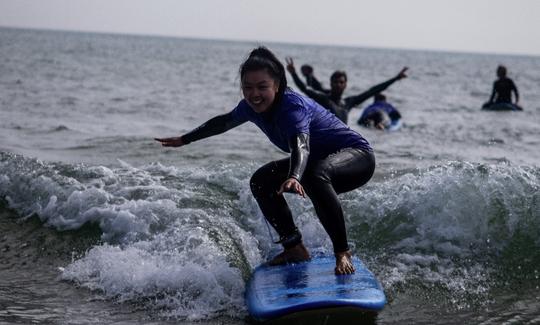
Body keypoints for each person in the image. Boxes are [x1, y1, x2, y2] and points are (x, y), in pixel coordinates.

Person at [155, 47, 376, 275]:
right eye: (247, 88)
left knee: (313, 174)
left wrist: (294, 176)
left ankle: (342, 252)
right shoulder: (249, 108)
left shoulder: (292, 107)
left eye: (262, 87)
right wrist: (184, 139)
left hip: (357, 158)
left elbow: (301, 144)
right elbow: (222, 123)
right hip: (316, 164)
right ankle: (294, 247)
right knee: (261, 181)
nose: (254, 94)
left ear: (277, 86)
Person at [285, 57, 408, 124]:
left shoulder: (348, 103)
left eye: (341, 82)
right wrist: (294, 73)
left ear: (345, 85)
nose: (338, 85)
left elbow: (372, 91)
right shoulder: (324, 99)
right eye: (335, 82)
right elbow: (305, 88)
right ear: (331, 83)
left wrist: (396, 78)